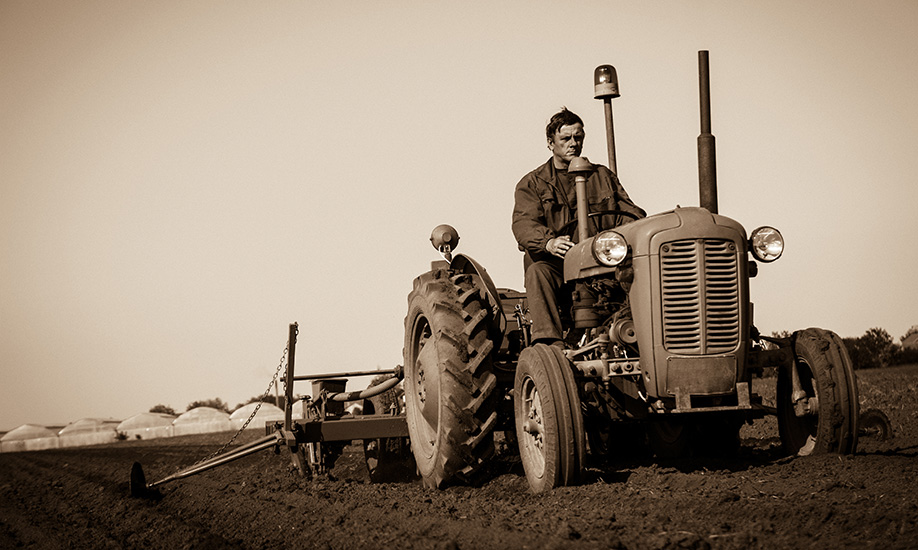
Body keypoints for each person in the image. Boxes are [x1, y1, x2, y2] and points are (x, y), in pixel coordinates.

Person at [511, 108, 645, 346]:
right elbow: (524, 224)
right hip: (559, 266)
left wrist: (619, 238)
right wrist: (548, 243)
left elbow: (630, 213)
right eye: (566, 139)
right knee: (538, 272)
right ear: (551, 143)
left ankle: (645, 331)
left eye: (578, 137)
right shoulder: (532, 183)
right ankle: (549, 343)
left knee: (644, 267)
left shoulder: (602, 176)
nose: (573, 143)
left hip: (603, 264)